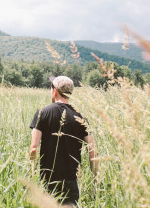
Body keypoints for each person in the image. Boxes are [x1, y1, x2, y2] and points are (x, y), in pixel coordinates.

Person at [29, 75, 98, 206]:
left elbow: (33, 149)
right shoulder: (81, 118)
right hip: (72, 180)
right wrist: (95, 181)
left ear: (54, 91)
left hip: (48, 179)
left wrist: (31, 175)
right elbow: (93, 153)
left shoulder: (42, 113)